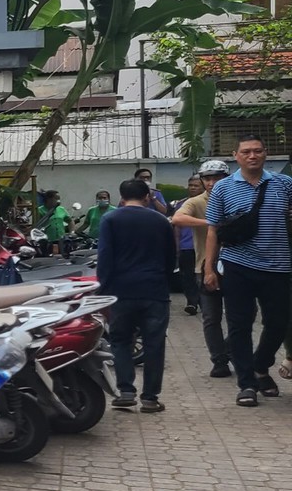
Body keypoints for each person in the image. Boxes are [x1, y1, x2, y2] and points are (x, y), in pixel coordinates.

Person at [202, 135, 292, 406]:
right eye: (246, 152)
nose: (252, 156)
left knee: (278, 323)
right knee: (239, 325)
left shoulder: (284, 184)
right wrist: (209, 269)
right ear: (236, 155)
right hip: (238, 265)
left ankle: (260, 364)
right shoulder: (223, 188)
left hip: (279, 266)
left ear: (266, 154)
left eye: (257, 151)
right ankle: (247, 384)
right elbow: (213, 230)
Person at [97, 179, 175, 412]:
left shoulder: (110, 219)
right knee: (154, 344)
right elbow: (171, 258)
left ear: (121, 196)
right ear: (147, 197)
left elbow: (105, 258)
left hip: (121, 291)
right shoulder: (161, 221)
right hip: (155, 290)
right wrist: (163, 279)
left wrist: (103, 289)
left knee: (120, 341)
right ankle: (150, 398)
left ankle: (126, 391)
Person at [173, 161, 232, 375]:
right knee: (211, 316)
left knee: (245, 315)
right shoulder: (196, 202)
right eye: (207, 178)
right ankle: (219, 361)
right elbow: (177, 218)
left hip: (237, 267)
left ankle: (228, 350)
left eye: (217, 178)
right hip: (206, 266)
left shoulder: (236, 197)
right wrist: (210, 223)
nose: (211, 183)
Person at [174, 175, 205, 315]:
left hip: (204, 247)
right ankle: (192, 302)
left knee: (204, 276)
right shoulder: (181, 204)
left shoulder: (211, 202)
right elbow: (177, 227)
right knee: (187, 276)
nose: (192, 188)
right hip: (186, 246)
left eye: (196, 185)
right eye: (191, 185)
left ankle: (205, 303)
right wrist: (176, 246)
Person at [41, 191, 70, 257]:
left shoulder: (61, 209)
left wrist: (72, 232)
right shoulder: (40, 210)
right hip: (47, 241)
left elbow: (70, 221)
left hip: (61, 240)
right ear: (49, 199)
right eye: (56, 198)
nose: (58, 201)